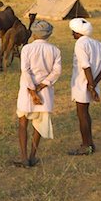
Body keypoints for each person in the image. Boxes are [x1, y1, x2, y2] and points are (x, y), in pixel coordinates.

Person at [14, 20, 62, 168]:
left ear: (33, 34)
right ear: (49, 34)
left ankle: (23, 158)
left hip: (27, 92)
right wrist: (42, 86)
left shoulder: (27, 49)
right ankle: (32, 156)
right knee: (39, 125)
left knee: (23, 124)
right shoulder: (55, 50)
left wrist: (32, 91)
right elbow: (56, 72)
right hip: (45, 93)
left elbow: (25, 71)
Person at [68, 18, 101, 155]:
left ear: (78, 33)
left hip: (82, 84)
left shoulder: (80, 44)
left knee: (82, 114)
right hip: (92, 82)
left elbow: (86, 66)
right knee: (85, 113)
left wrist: (90, 87)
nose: (72, 34)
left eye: (73, 32)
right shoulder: (97, 43)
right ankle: (89, 143)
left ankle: (86, 146)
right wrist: (95, 84)